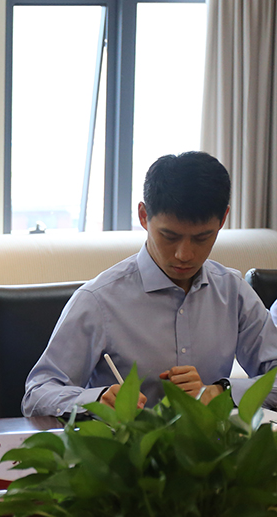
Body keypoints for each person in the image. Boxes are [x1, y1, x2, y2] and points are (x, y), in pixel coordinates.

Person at [23, 151, 277, 417]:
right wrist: (96, 399)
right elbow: (37, 393)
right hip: (124, 442)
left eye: (202, 238)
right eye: (169, 236)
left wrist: (221, 392)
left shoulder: (233, 292)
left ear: (223, 220)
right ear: (144, 216)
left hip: (210, 443)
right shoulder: (98, 299)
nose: (184, 254)